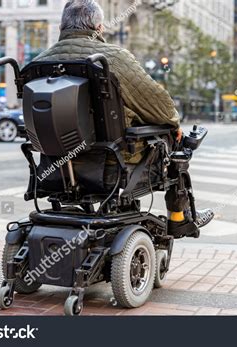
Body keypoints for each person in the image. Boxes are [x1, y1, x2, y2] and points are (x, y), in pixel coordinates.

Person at [33, 0, 214, 236]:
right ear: (99, 28)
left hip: (54, 168)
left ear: (61, 27)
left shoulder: (37, 64)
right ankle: (179, 218)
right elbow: (159, 105)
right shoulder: (112, 59)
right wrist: (174, 125)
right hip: (113, 165)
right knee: (175, 141)